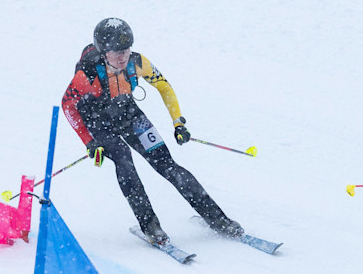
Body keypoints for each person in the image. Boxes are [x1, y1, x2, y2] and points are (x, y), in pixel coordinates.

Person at [61, 18, 243, 245]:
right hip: (99, 124)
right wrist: (89, 141)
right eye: (116, 52)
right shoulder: (86, 75)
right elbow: (68, 106)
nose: (122, 56)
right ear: (102, 51)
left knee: (167, 165)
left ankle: (218, 219)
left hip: (128, 114)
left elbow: (164, 86)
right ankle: (150, 225)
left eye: (126, 50)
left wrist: (178, 123)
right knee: (124, 161)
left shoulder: (137, 62)